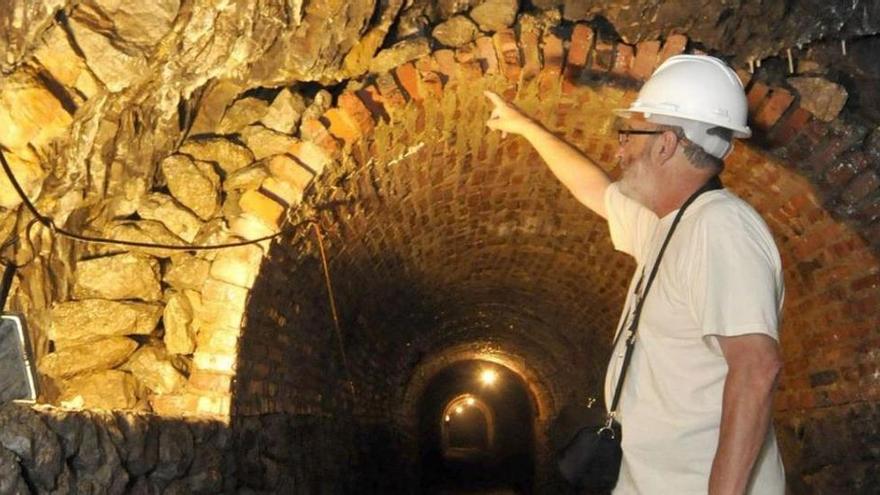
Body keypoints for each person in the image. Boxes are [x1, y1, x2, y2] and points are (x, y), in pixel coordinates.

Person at [484, 54, 785, 495]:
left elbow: (757, 367)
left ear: (665, 144)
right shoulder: (670, 225)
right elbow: (596, 191)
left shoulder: (721, 229)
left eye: (629, 135)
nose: (619, 149)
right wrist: (529, 128)